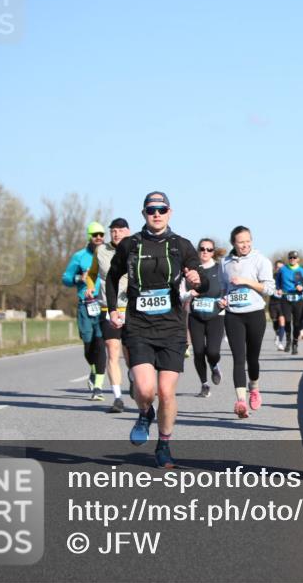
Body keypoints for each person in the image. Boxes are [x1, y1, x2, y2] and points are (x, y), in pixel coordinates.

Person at [106, 192, 204, 469]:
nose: (157, 214)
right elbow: (113, 278)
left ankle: (164, 445)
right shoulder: (130, 244)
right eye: (151, 210)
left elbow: (202, 282)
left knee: (166, 391)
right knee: (146, 390)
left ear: (170, 212)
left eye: (161, 209)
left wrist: (197, 280)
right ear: (144, 214)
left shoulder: (181, 246)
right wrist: (113, 308)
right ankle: (144, 412)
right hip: (138, 326)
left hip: (171, 328)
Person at [220, 226, 275, 418]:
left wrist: (246, 281)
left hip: (255, 314)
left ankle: (254, 387)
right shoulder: (225, 263)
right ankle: (241, 401)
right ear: (233, 243)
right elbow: (223, 289)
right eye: (240, 242)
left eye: (247, 241)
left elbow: (269, 289)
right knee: (238, 358)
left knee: (253, 359)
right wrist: (223, 300)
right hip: (233, 314)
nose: (245, 245)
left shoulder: (261, 260)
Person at [84, 217, 131, 412]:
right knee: (112, 350)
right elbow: (92, 274)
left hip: (130, 309)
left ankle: (133, 378)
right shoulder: (101, 251)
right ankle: (118, 397)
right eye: (113, 230)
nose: (116, 233)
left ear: (128, 231)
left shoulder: (136, 248)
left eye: (120, 230)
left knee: (130, 355)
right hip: (108, 308)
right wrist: (89, 287)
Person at [61, 221, 107, 401]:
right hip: (85, 305)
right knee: (88, 345)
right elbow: (65, 278)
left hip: (103, 304)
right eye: (95, 234)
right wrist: (80, 277)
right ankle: (94, 370)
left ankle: (98, 387)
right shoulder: (79, 257)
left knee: (101, 344)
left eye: (101, 234)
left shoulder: (108, 255)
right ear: (89, 236)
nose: (98, 238)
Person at [180, 238, 225, 398]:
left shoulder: (220, 269)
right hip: (196, 315)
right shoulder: (191, 270)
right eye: (202, 248)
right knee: (198, 351)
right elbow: (181, 292)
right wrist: (188, 294)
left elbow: (227, 288)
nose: (205, 252)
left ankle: (214, 365)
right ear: (198, 250)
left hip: (216, 315)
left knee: (212, 351)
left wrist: (224, 300)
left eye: (209, 249)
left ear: (213, 252)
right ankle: (204, 384)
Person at [275, 251, 303, 355]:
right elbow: (277, 281)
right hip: (285, 298)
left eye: (294, 258)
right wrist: (278, 288)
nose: (292, 259)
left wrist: (302, 287)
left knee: (296, 323)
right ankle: (288, 341)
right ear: (288, 259)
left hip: (298, 299)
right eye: (290, 257)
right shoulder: (282, 270)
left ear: (298, 259)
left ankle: (295, 343)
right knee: (287, 321)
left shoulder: (302, 271)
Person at [270, 259, 287, 351]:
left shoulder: (286, 278)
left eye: (281, 267)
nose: (279, 269)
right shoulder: (271, 277)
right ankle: (277, 335)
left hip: (282, 302)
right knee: (275, 323)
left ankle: (280, 341)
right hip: (273, 302)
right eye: (278, 267)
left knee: (282, 321)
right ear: (275, 268)